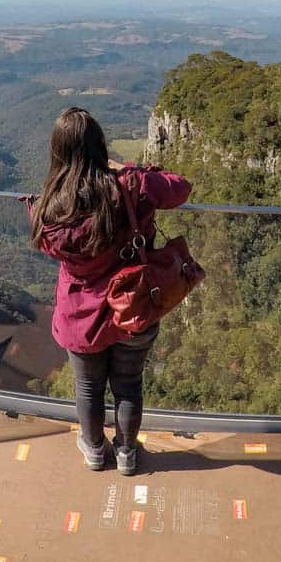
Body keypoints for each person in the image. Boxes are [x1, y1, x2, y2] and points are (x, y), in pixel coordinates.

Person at [28, 107, 191, 475]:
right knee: (128, 385)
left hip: (81, 316)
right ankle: (127, 454)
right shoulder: (130, 186)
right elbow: (181, 188)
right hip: (134, 308)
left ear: (58, 153)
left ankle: (94, 451)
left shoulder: (49, 209)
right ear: (100, 147)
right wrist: (125, 169)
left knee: (88, 390)